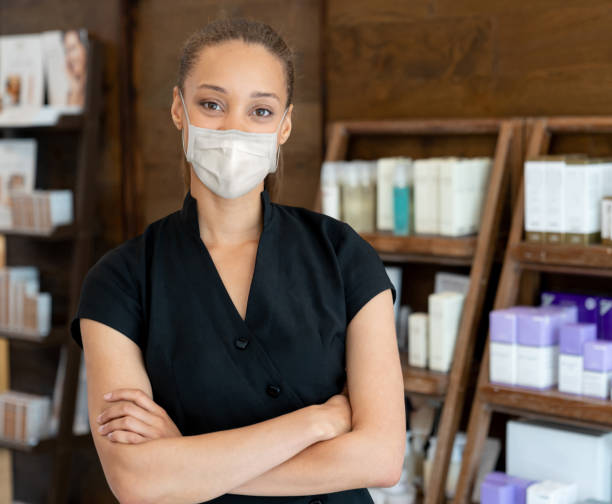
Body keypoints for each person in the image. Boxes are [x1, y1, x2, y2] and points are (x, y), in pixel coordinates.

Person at [71, 17, 406, 504]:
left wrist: (182, 459)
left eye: (260, 111)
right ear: (178, 110)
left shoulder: (342, 254)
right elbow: (136, 481)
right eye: (211, 104)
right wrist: (316, 422)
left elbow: (380, 458)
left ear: (285, 125)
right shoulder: (120, 281)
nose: (234, 128)